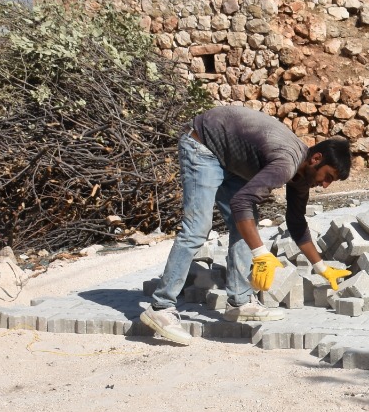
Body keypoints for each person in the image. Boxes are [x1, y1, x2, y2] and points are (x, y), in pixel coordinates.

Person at [139, 106, 352, 345]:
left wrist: (321, 267)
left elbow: (296, 222)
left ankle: (239, 301)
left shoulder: (302, 175)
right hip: (203, 144)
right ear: (316, 159)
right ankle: (161, 306)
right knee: (197, 227)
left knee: (244, 223)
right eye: (328, 177)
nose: (325, 185)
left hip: (230, 157)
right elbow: (241, 201)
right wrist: (260, 254)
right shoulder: (286, 163)